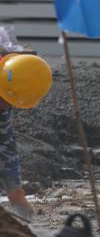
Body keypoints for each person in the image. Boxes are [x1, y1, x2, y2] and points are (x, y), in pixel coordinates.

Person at [0, 54, 53, 219]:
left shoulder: (7, 84)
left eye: (10, 103)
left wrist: (15, 192)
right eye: (5, 101)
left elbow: (5, 144)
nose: (6, 106)